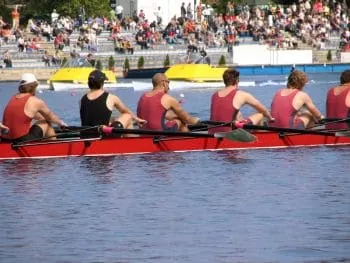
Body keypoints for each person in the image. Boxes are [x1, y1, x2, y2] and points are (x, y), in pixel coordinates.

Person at [2, 73, 67, 143]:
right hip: (20, 141)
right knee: (46, 123)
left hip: (5, 140)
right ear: (33, 87)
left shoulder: (13, 97)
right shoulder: (35, 101)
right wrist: (61, 124)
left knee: (34, 122)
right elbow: (50, 117)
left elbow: (34, 115)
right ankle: (55, 148)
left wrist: (42, 118)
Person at [80, 69, 146, 129]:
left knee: (112, 120)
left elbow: (93, 117)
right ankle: (132, 142)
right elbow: (126, 111)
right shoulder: (111, 98)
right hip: (101, 136)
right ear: (102, 83)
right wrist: (138, 119)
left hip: (85, 136)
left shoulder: (82, 99)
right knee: (127, 116)